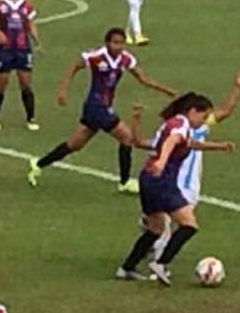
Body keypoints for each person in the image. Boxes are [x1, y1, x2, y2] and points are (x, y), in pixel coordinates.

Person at [126, 71, 240, 281]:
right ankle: (159, 266)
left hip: (189, 183)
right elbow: (159, 143)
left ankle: (139, 261)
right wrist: (161, 161)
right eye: (203, 115)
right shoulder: (177, 128)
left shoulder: (196, 127)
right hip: (173, 181)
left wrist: (237, 89)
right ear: (191, 111)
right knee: (176, 225)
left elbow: (224, 112)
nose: (205, 119)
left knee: (165, 225)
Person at [27, 27, 175, 193]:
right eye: (115, 43)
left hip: (101, 107)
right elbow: (74, 65)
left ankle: (38, 164)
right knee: (127, 137)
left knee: (74, 144)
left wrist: (168, 91)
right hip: (96, 106)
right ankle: (125, 182)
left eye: (121, 43)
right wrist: (63, 89)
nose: (118, 46)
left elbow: (143, 78)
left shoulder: (125, 59)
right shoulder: (97, 56)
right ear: (107, 43)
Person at [0, 0, 41, 132]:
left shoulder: (27, 5)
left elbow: (30, 24)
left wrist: (37, 40)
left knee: (26, 83)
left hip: (23, 48)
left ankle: (31, 118)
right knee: (1, 83)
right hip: (5, 49)